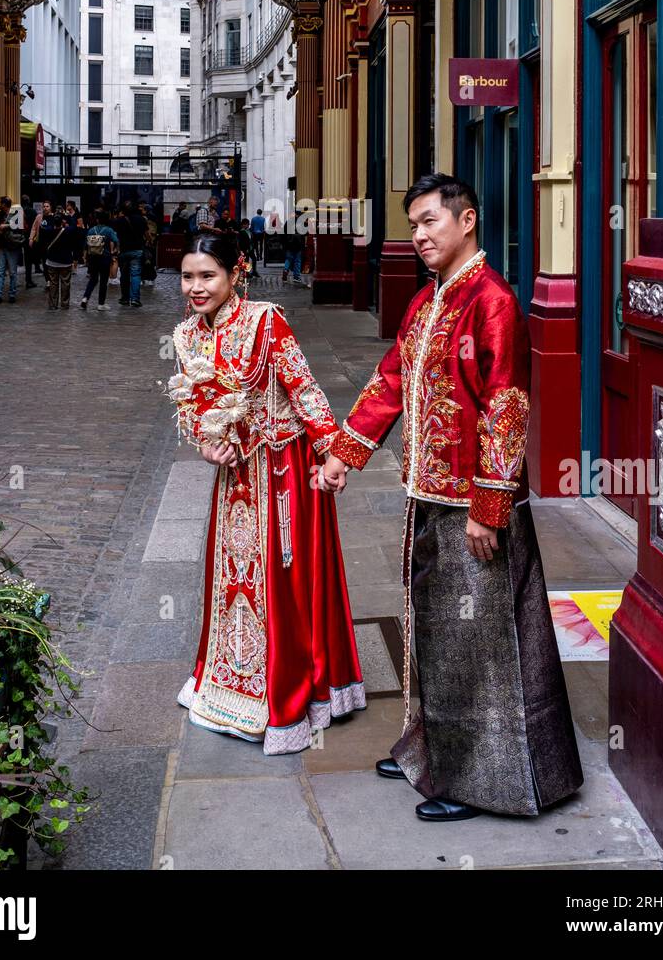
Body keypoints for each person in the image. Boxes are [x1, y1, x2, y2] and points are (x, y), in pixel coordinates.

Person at [321, 174, 583, 822]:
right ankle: (429, 747)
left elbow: (506, 407)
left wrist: (489, 509)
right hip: (427, 496)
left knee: (482, 645)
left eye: (431, 221)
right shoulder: (427, 303)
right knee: (434, 634)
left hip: (472, 507)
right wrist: (343, 454)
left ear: (467, 221)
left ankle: (477, 781)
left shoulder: (491, 301)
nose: (420, 235)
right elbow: (390, 382)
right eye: (413, 224)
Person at [168, 229, 364, 753]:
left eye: (208, 275)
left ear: (237, 273)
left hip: (283, 473)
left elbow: (304, 388)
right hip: (234, 477)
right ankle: (229, 682)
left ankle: (291, 690)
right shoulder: (186, 336)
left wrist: (332, 454)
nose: (196, 287)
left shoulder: (266, 321)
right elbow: (192, 410)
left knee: (285, 581)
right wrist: (208, 447)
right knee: (232, 577)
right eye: (188, 276)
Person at [80, 208, 119, 311]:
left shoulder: (91, 230)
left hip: (93, 258)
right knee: (103, 281)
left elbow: (85, 245)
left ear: (97, 220)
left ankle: (85, 298)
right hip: (105, 258)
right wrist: (114, 251)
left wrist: (84, 257)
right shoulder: (109, 230)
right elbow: (116, 241)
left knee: (93, 279)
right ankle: (101, 304)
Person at [0, 196, 24, 304]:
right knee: (0, 271)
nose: (0, 205)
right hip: (3, 246)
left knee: (12, 272)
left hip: (12, 246)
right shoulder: (2, 214)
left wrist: (5, 226)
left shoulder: (16, 212)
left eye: (1, 203)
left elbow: (19, 225)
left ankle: (12, 294)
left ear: (5, 204)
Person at [39, 206, 76, 310]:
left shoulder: (48, 231)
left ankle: (53, 304)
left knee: (53, 284)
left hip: (52, 261)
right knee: (65, 283)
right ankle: (64, 304)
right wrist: (68, 217)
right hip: (66, 261)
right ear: (62, 222)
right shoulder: (68, 231)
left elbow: (42, 230)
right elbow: (74, 225)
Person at [113, 198, 147, 308]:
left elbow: (115, 236)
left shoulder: (119, 221)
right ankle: (135, 299)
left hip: (123, 251)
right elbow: (147, 234)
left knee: (124, 275)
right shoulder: (141, 219)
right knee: (136, 275)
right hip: (137, 250)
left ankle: (125, 298)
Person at [29, 200, 53, 282]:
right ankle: (48, 281)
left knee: (51, 263)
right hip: (42, 244)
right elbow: (34, 228)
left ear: (50, 208)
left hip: (52, 244)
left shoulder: (54, 217)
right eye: (44, 206)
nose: (45, 208)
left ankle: (52, 278)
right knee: (45, 263)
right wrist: (31, 238)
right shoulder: (39, 217)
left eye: (47, 206)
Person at [21, 195, 38, 288]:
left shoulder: (19, 211)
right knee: (28, 261)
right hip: (29, 238)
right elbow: (35, 226)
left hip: (19, 238)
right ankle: (28, 280)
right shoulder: (32, 211)